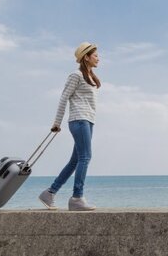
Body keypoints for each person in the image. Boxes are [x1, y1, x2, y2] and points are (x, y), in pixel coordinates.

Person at [39, 42, 101, 211]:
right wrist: (57, 123)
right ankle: (77, 198)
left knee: (76, 160)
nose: (98, 58)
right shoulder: (76, 75)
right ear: (86, 57)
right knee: (86, 157)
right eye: (95, 55)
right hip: (79, 120)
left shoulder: (90, 77)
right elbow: (63, 98)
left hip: (88, 121)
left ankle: (50, 193)